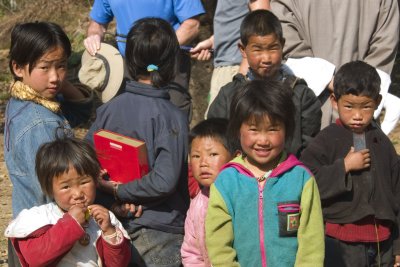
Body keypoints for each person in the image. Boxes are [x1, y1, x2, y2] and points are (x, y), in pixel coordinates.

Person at [85, 18, 189, 267]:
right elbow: (164, 181)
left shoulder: (107, 111)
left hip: (113, 223)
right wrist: (120, 191)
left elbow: (85, 161)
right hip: (161, 230)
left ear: (128, 61)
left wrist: (112, 198)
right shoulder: (172, 116)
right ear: (173, 63)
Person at [205, 79, 324, 266]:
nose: (263, 140)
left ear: (287, 130)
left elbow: (312, 242)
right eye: (253, 129)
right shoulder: (226, 181)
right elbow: (219, 244)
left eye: (272, 129)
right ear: (238, 130)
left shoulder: (300, 178)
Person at [4, 21, 94, 266]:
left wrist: (57, 79)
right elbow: (57, 191)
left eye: (62, 66)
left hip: (27, 230)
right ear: (18, 67)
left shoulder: (25, 99)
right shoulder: (41, 124)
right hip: (49, 236)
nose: (55, 77)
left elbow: (82, 113)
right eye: (45, 67)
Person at [300, 61, 400, 266]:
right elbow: (306, 182)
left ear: (377, 102)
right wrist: (343, 167)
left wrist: (398, 245)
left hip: (382, 241)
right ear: (334, 101)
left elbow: (397, 192)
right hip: (340, 242)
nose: (357, 115)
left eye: (366, 106)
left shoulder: (382, 143)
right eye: (349, 106)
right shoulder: (325, 140)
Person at [270, 0, 400, 132]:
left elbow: (385, 44)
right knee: (312, 148)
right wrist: (335, 82)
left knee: (360, 147)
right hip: (311, 108)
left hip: (358, 110)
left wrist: (353, 89)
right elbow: (282, 35)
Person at [207, 9, 321, 157]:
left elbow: (310, 149)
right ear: (243, 49)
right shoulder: (229, 95)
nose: (266, 58)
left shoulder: (300, 95)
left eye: (273, 48)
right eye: (257, 50)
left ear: (282, 45)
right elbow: (216, 140)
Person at [4, 137, 131, 266]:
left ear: (95, 180)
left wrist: (109, 232)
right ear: (49, 188)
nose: (77, 194)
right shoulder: (39, 218)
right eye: (66, 187)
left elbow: (118, 264)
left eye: (84, 182)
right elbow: (35, 258)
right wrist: (71, 224)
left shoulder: (105, 218)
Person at [83, 0, 205, 118]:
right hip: (128, 64)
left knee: (172, 117)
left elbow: (192, 24)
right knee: (129, 117)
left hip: (169, 63)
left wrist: (161, 49)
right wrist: (94, 36)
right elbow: (97, 23)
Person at [190, 0, 270, 117]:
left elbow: (262, 26)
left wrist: (242, 74)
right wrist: (213, 41)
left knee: (222, 128)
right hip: (224, 67)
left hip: (237, 68)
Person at [181, 118, 234, 266]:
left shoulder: (242, 197)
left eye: (212, 154)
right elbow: (191, 252)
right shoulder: (197, 203)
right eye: (196, 156)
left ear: (235, 156)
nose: (203, 163)